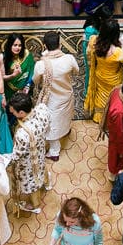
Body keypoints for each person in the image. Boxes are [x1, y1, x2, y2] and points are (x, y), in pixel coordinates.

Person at [33, 31, 80, 160]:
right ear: (60, 44)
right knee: (66, 115)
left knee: (52, 124)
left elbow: (35, 81)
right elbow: (77, 71)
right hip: (67, 94)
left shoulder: (41, 65)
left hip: (52, 99)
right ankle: (65, 130)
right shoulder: (69, 59)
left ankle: (54, 152)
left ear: (44, 45)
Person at [8, 92, 51, 212]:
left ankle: (35, 206)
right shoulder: (42, 110)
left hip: (28, 163)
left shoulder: (22, 134)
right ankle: (47, 185)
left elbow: (17, 155)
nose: (12, 113)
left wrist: (7, 161)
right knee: (42, 167)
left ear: (21, 113)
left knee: (31, 182)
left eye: (13, 112)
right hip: (41, 150)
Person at [85, 19, 123, 124]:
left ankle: (99, 117)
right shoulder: (118, 52)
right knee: (113, 98)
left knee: (100, 96)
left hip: (99, 74)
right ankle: (111, 118)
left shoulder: (93, 41)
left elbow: (88, 55)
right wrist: (122, 45)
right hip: (114, 79)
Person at [2, 33, 35, 104]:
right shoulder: (4, 58)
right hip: (8, 91)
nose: (17, 48)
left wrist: (27, 86)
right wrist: (13, 75)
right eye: (15, 45)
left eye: (20, 45)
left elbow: (31, 72)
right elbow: (1, 77)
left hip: (24, 91)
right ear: (10, 45)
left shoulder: (27, 55)